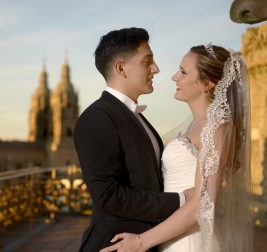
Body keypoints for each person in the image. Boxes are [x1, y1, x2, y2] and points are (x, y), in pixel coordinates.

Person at [100, 44, 253, 252]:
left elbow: (203, 204)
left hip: (191, 242)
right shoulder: (193, 124)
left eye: (183, 72)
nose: (174, 77)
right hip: (170, 238)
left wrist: (140, 242)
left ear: (207, 83)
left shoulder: (217, 127)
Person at [74, 27, 193, 252]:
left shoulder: (136, 117)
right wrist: (181, 200)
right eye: (147, 61)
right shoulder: (97, 118)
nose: (156, 69)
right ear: (121, 68)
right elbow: (108, 197)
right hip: (115, 244)